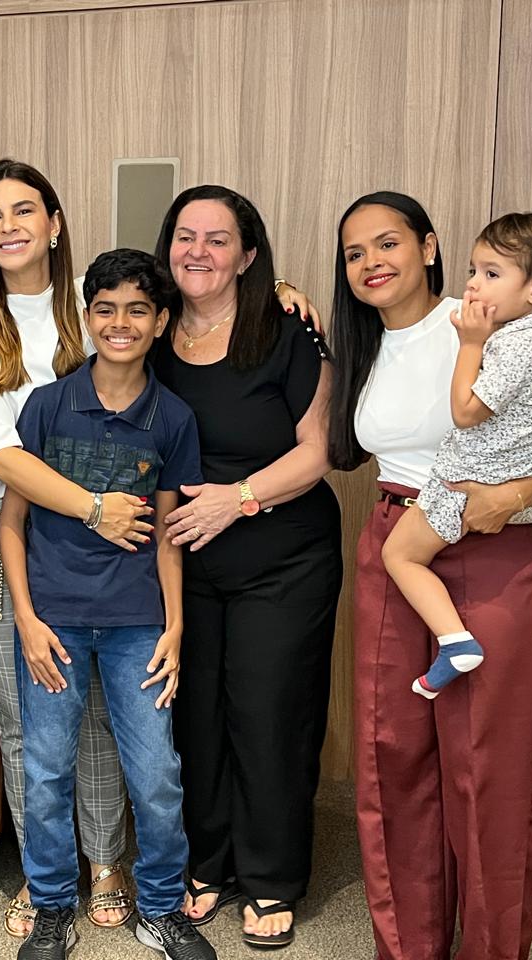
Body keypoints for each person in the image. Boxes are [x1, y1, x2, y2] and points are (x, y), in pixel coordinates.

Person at [328, 191, 532, 960]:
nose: (371, 262)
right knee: (392, 755)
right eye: (354, 253)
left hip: (491, 542)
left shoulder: (491, 319)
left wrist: (516, 497)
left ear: (429, 246)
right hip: (398, 538)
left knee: (491, 766)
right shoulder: (357, 344)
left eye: (388, 243)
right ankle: (407, 948)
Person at [0, 159, 148, 937]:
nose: (9, 227)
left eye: (24, 210)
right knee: (24, 709)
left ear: (55, 224)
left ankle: (106, 862)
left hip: (103, 533)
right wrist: (90, 506)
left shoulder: (93, 307)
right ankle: (44, 868)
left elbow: (184, 313)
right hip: (1, 525)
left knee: (93, 708)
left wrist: (283, 288)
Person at [1, 248, 215, 960]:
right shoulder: (47, 404)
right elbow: (12, 522)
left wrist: (175, 627)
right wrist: (27, 619)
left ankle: (160, 907)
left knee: (156, 775)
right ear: (87, 316)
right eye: (106, 309)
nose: (121, 323)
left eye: (137, 310)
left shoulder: (173, 417)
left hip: (138, 625)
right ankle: (52, 905)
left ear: (160, 322)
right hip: (53, 622)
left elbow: (170, 535)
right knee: (46, 771)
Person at [150, 185, 340, 950]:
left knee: (268, 718)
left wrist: (239, 498)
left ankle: (270, 877)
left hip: (282, 560)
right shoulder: (150, 330)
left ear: (248, 255)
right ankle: (208, 862)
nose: (197, 251)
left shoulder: (287, 331)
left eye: (217, 239)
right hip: (184, 565)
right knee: (195, 720)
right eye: (185, 236)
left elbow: (319, 452)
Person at [382, 212, 532, 698]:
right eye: (473, 271)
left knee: (400, 555)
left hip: (468, 488)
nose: (473, 285)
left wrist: (471, 344)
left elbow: (465, 411)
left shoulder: (511, 345)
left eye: (491, 274)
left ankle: (454, 642)